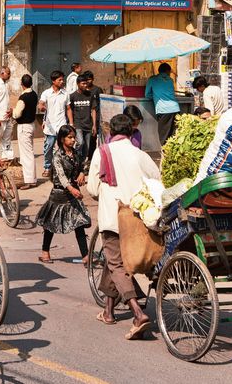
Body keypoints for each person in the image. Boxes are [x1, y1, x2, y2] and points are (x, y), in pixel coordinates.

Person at [87, 113, 160, 339]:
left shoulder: (102, 152)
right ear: (131, 133)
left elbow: (91, 187)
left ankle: (137, 313)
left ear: (111, 133)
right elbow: (156, 180)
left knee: (116, 264)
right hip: (138, 218)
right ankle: (108, 311)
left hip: (112, 217)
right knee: (113, 262)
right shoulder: (140, 155)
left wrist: (106, 194)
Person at [37, 125, 91, 264]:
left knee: (79, 223)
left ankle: (86, 256)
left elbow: (81, 166)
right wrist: (72, 189)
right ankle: (45, 252)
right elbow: (61, 177)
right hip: (59, 194)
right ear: (62, 139)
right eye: (70, 137)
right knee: (50, 225)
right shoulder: (57, 157)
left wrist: (81, 174)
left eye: (74, 137)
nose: (73, 140)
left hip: (72, 194)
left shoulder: (76, 153)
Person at [67, 70, 102, 173]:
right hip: (78, 124)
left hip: (88, 124)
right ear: (78, 84)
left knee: (86, 147)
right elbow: (70, 110)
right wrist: (71, 124)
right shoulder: (73, 96)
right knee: (80, 143)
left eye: (86, 83)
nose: (85, 85)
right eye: (83, 83)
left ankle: (80, 165)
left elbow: (93, 110)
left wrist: (94, 125)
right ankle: (75, 160)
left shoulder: (90, 95)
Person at [39, 70, 69, 177]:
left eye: (62, 79)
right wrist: (41, 107)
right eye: (59, 80)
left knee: (63, 148)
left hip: (62, 125)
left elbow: (68, 109)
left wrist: (71, 123)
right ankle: (47, 167)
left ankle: (62, 168)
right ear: (53, 81)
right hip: (50, 127)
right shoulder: (46, 93)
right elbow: (41, 104)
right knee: (48, 148)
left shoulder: (66, 94)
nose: (62, 81)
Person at [14, 74, 40, 188]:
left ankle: (29, 180)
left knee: (26, 154)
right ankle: (32, 178)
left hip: (24, 126)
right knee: (29, 152)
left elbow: (17, 114)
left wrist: (12, 111)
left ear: (22, 84)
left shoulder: (23, 97)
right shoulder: (34, 94)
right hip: (31, 125)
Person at [144, 62, 179, 145]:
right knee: (173, 136)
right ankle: (170, 156)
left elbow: (147, 95)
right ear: (167, 71)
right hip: (175, 109)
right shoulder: (170, 80)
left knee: (164, 136)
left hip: (163, 110)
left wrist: (155, 96)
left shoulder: (152, 79)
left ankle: (164, 156)